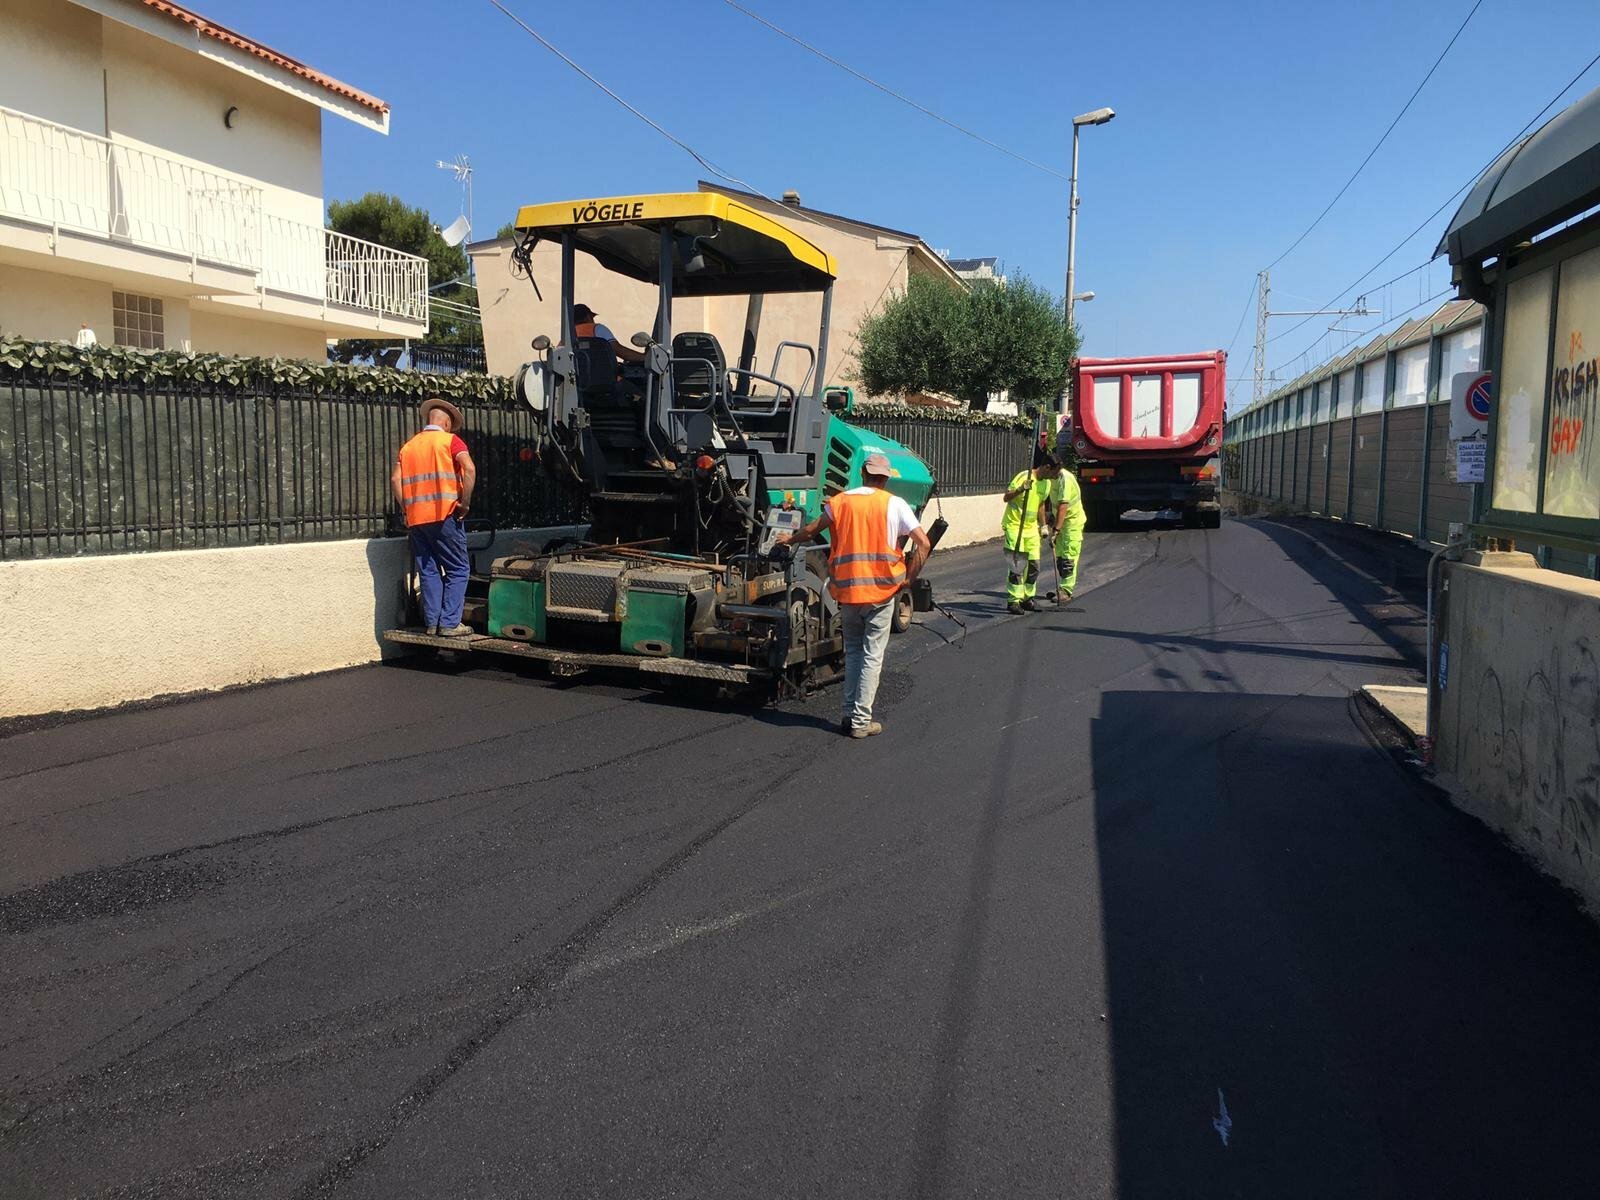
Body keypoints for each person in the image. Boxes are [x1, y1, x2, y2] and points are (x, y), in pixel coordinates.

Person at [775, 452, 931, 739]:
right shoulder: (893, 504)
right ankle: (861, 721)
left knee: (855, 652)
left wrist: (789, 538)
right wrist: (909, 578)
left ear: (862, 473)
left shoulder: (840, 502)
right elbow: (923, 542)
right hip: (882, 593)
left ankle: (849, 714)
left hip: (847, 592)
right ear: (885, 478)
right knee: (872, 655)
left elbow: (811, 530)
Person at [391, 397, 477, 637]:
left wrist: (407, 509)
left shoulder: (408, 447)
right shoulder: (450, 441)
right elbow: (469, 468)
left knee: (428, 570)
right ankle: (449, 623)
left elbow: (395, 479)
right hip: (446, 514)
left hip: (417, 519)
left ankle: (432, 623)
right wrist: (465, 503)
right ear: (447, 424)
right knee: (458, 569)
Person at [1001, 454, 1061, 614]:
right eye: (1053, 473)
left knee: (1034, 565)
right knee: (1017, 565)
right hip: (1015, 526)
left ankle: (1027, 597)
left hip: (1031, 528)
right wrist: (1020, 489)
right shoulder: (1024, 476)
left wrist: (1043, 525)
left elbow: (1041, 504)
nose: (1054, 477)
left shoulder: (1046, 484)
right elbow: (1006, 497)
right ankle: (1014, 600)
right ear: (1046, 467)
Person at [1044, 463, 1088, 605]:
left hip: (1072, 522)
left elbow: (1063, 506)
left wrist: (1056, 530)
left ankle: (1066, 591)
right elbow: (1052, 501)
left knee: (1069, 557)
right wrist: (1051, 517)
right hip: (1061, 521)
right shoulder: (1051, 478)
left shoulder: (1065, 479)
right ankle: (1062, 587)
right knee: (1060, 556)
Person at [572, 303, 644, 365]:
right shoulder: (597, 329)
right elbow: (618, 350)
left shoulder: (566, 337)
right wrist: (644, 358)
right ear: (588, 317)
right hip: (604, 378)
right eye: (592, 318)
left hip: (578, 379)